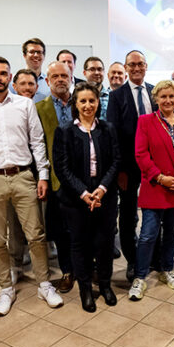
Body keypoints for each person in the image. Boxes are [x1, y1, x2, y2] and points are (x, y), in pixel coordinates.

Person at [0, 56, 62, 316]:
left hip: (23, 176)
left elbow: (37, 142)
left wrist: (42, 176)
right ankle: (6, 288)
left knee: (36, 235)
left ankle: (44, 283)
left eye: (3, 73)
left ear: (9, 78)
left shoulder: (24, 104)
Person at [129, 80, 174, 300]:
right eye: (163, 97)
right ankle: (140, 277)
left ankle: (166, 270)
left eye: (172, 96)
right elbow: (141, 155)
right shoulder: (145, 122)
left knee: (171, 233)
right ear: (156, 99)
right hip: (157, 187)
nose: (168, 100)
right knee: (148, 235)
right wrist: (161, 178)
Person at [53, 83, 121, 312]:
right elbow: (62, 168)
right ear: (75, 104)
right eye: (82, 101)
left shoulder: (108, 128)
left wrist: (102, 188)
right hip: (75, 200)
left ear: (97, 102)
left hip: (105, 197)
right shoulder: (64, 131)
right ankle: (85, 290)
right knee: (79, 244)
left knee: (105, 243)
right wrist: (84, 193)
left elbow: (115, 161)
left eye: (92, 100)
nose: (88, 105)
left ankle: (104, 284)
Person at [106, 50, 154, 280]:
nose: (136, 68)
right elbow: (113, 136)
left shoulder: (155, 92)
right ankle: (133, 261)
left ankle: (151, 256)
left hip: (155, 167)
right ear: (126, 68)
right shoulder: (117, 96)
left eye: (140, 64)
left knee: (155, 213)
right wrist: (120, 171)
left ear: (146, 66)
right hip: (128, 168)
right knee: (127, 216)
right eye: (132, 65)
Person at [36, 61, 76, 293]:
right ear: (48, 80)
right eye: (55, 76)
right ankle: (67, 271)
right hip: (55, 179)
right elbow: (37, 145)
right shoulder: (39, 108)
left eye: (64, 75)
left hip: (83, 178)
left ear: (71, 77)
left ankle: (83, 266)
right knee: (62, 231)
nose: (60, 79)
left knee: (84, 227)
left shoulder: (82, 102)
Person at [22, 38, 50, 102]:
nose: (36, 55)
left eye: (39, 52)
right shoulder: (13, 81)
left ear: (44, 56)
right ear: (24, 55)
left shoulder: (49, 82)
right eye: (32, 52)